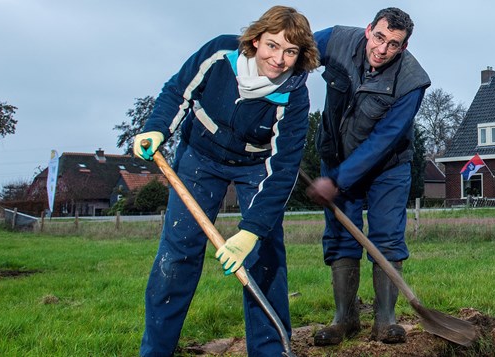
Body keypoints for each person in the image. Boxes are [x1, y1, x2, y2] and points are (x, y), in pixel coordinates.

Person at [133, 6, 319, 356]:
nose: (278, 59)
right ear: (255, 40)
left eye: (290, 51)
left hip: (254, 166)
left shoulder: (294, 95)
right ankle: (155, 350)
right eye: (272, 45)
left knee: (265, 256)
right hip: (198, 157)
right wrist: (156, 130)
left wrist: (251, 230)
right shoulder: (219, 54)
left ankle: (270, 350)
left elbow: (282, 171)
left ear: (301, 55)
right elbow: (177, 92)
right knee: (177, 255)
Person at [307, 7, 430, 346]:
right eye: (379, 37)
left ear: (403, 47)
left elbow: (383, 141)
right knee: (341, 237)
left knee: (387, 239)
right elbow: (295, 53)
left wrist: (338, 179)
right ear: (368, 30)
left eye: (393, 44)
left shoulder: (412, 81)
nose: (382, 49)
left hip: (387, 168)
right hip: (335, 155)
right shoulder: (335, 41)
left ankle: (385, 320)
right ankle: (344, 318)